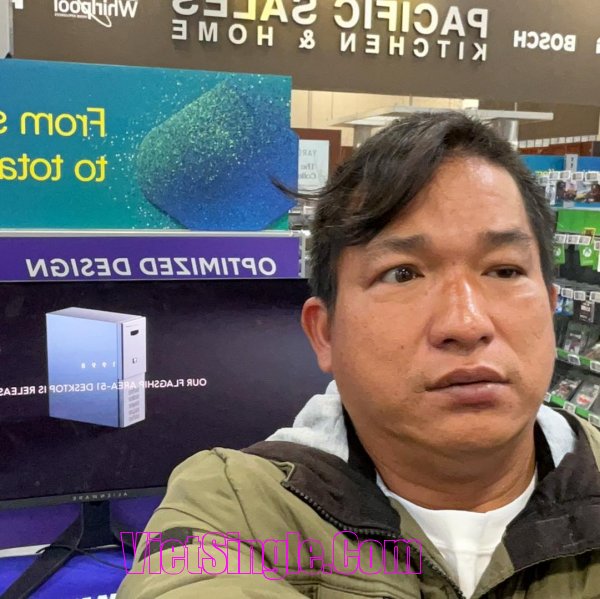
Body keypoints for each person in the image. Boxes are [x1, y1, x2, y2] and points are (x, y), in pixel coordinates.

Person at [117, 112, 600, 598]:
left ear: (549, 306)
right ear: (324, 334)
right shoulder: (232, 506)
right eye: (402, 274)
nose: (466, 323)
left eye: (504, 270)